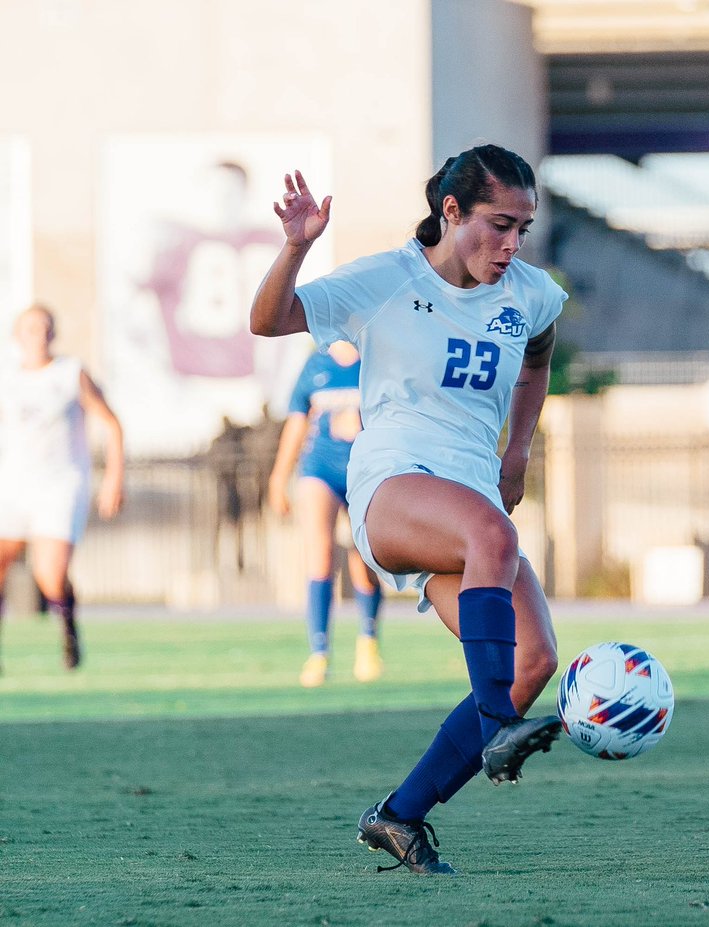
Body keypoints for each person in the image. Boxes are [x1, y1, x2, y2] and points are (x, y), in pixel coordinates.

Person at [250, 146, 566, 875]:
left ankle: (398, 814)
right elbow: (269, 321)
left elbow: (540, 354)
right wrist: (296, 248)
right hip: (394, 485)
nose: (512, 244)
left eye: (524, 227)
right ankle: (498, 729)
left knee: (534, 659)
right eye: (498, 224)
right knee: (494, 533)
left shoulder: (530, 294)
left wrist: (517, 448)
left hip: (469, 499)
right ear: (451, 212)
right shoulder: (386, 280)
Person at [0, 304, 124, 670]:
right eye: (31, 329)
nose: (39, 335)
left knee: (49, 574)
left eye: (44, 328)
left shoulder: (70, 373)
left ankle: (68, 631)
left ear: (53, 333)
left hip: (59, 483)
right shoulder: (8, 377)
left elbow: (112, 424)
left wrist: (114, 478)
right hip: (15, 483)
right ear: (18, 335)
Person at [267, 341, 384, 686]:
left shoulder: (377, 359)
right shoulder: (316, 363)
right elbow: (296, 420)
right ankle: (319, 652)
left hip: (365, 470)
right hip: (320, 468)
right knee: (319, 556)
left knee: (365, 558)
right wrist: (279, 476)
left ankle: (368, 641)